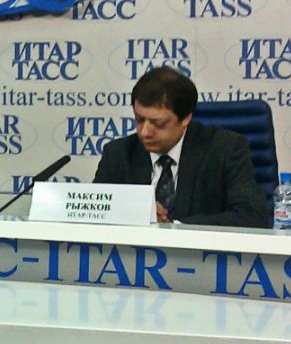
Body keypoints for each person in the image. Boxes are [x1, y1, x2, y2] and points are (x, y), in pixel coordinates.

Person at [94, 65, 270, 228]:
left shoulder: (226, 149)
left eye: (158, 123)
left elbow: (253, 216)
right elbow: (92, 214)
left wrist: (175, 226)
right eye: (139, 120)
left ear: (186, 118)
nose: (145, 132)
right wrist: (137, 213)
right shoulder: (118, 153)